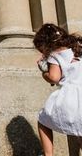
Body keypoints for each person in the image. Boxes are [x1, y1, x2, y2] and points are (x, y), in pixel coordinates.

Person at [33, 23, 82, 156]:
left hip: (72, 99)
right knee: (79, 129)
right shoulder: (78, 47)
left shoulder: (55, 54)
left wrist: (44, 72)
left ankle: (48, 154)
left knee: (43, 119)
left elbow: (54, 77)